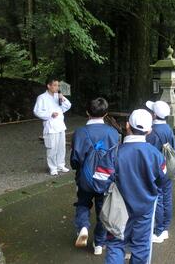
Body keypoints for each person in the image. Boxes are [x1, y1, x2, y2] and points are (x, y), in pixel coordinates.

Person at [105, 109, 167, 264]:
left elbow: (101, 181)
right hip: (145, 208)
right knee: (141, 246)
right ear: (149, 131)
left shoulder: (114, 153)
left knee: (115, 244)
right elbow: (163, 180)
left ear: (127, 126)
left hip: (118, 208)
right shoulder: (156, 155)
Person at [70, 98, 119, 255]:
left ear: (87, 112)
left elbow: (75, 159)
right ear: (105, 114)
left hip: (85, 178)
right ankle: (99, 243)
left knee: (83, 203)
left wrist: (79, 169)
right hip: (105, 178)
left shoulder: (79, 132)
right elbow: (115, 158)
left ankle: (83, 226)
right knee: (103, 210)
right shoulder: (113, 133)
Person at [146, 101, 175, 243]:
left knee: (157, 198)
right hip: (167, 168)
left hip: (155, 170)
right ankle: (165, 228)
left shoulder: (151, 132)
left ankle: (158, 231)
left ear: (154, 114)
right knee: (167, 197)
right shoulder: (168, 129)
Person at [33, 76, 71, 176]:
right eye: (55, 85)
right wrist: (50, 114)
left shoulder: (57, 95)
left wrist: (62, 98)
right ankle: (53, 167)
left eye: (58, 85)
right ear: (48, 86)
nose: (57, 87)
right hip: (50, 126)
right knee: (52, 148)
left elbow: (68, 106)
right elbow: (37, 111)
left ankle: (61, 165)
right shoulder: (42, 97)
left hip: (60, 125)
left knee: (61, 147)